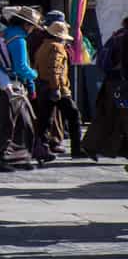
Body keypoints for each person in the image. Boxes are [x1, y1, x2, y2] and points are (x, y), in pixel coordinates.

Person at [0, 18, 38, 171]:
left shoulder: (8, 37)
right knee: (13, 122)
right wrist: (33, 76)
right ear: (26, 25)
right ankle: (4, 157)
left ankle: (1, 156)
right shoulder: (17, 40)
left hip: (6, 83)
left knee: (7, 121)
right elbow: (20, 66)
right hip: (12, 85)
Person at [34, 21, 85, 160]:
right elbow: (55, 69)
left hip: (43, 86)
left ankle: (41, 147)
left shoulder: (43, 46)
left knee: (45, 119)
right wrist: (56, 88)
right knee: (74, 116)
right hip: (58, 89)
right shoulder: (57, 47)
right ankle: (76, 148)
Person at [83, 15, 128, 160]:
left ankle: (92, 146)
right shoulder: (124, 38)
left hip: (112, 83)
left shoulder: (118, 35)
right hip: (121, 85)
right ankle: (93, 146)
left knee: (107, 116)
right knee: (119, 118)